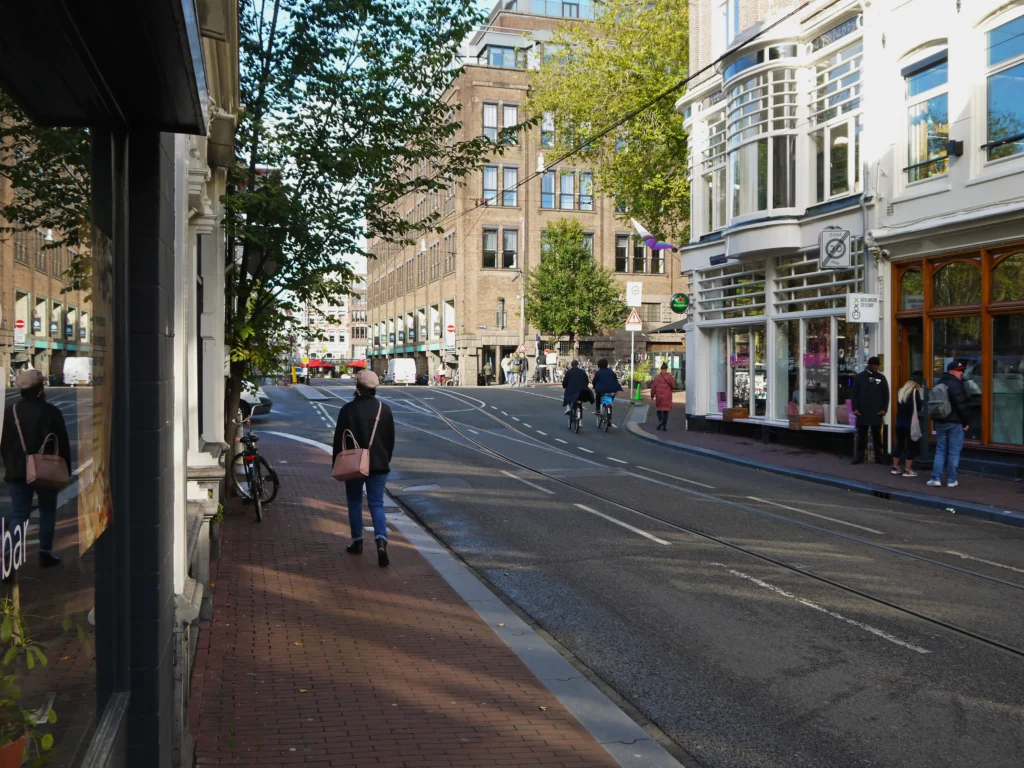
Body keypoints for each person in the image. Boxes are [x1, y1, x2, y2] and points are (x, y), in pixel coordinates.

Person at [0, 368, 71, 567]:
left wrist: (10, 464)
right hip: (46, 471)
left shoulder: (9, 412)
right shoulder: (51, 412)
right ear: (40, 388)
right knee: (47, 511)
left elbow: (3, 443)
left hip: (16, 472)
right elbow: (63, 444)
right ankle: (45, 553)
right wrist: (65, 471)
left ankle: (8, 553)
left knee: (19, 514)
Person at [332, 370, 396, 567]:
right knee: (376, 503)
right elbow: (390, 439)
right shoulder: (383, 410)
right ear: (375, 387)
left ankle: (357, 542)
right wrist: (385, 459)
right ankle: (381, 541)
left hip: (354, 464)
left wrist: (336, 462)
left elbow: (338, 440)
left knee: (354, 502)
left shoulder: (348, 410)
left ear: (357, 387)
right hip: (379, 463)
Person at [928, 360, 971, 488]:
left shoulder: (939, 382)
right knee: (954, 452)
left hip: (941, 421)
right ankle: (952, 480)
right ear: (951, 371)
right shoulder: (956, 385)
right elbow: (961, 405)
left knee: (940, 450)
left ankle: (936, 478)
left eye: (962, 370)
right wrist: (967, 422)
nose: (961, 373)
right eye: (959, 371)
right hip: (955, 423)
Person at [851, 356, 889, 465]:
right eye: (874, 365)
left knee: (877, 437)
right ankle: (859, 458)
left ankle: (879, 458)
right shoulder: (859, 377)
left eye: (877, 365)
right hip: (862, 412)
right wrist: (855, 408)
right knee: (862, 437)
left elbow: (886, 395)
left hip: (877, 412)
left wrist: (884, 409)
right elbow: (854, 394)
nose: (876, 367)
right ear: (869, 365)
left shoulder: (881, 378)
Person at [891, 372, 925, 477]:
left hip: (899, 422)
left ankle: (895, 468)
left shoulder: (901, 392)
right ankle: (907, 471)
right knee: (911, 445)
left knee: (899, 444)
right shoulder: (915, 392)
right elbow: (919, 407)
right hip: (911, 423)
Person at [650, 363, 676, 431]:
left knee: (659, 409)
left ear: (661, 369)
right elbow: (673, 386)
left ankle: (660, 421)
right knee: (665, 411)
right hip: (667, 396)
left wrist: (652, 395)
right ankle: (664, 425)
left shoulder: (657, 377)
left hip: (659, 396)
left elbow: (653, 387)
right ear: (666, 369)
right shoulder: (670, 377)